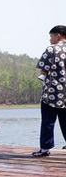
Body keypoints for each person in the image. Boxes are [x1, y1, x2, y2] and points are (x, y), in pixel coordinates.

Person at [33, 25, 66, 157]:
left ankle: (45, 148)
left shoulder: (52, 49)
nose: (50, 39)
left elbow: (43, 70)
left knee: (48, 121)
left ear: (58, 35)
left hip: (52, 93)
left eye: (51, 36)